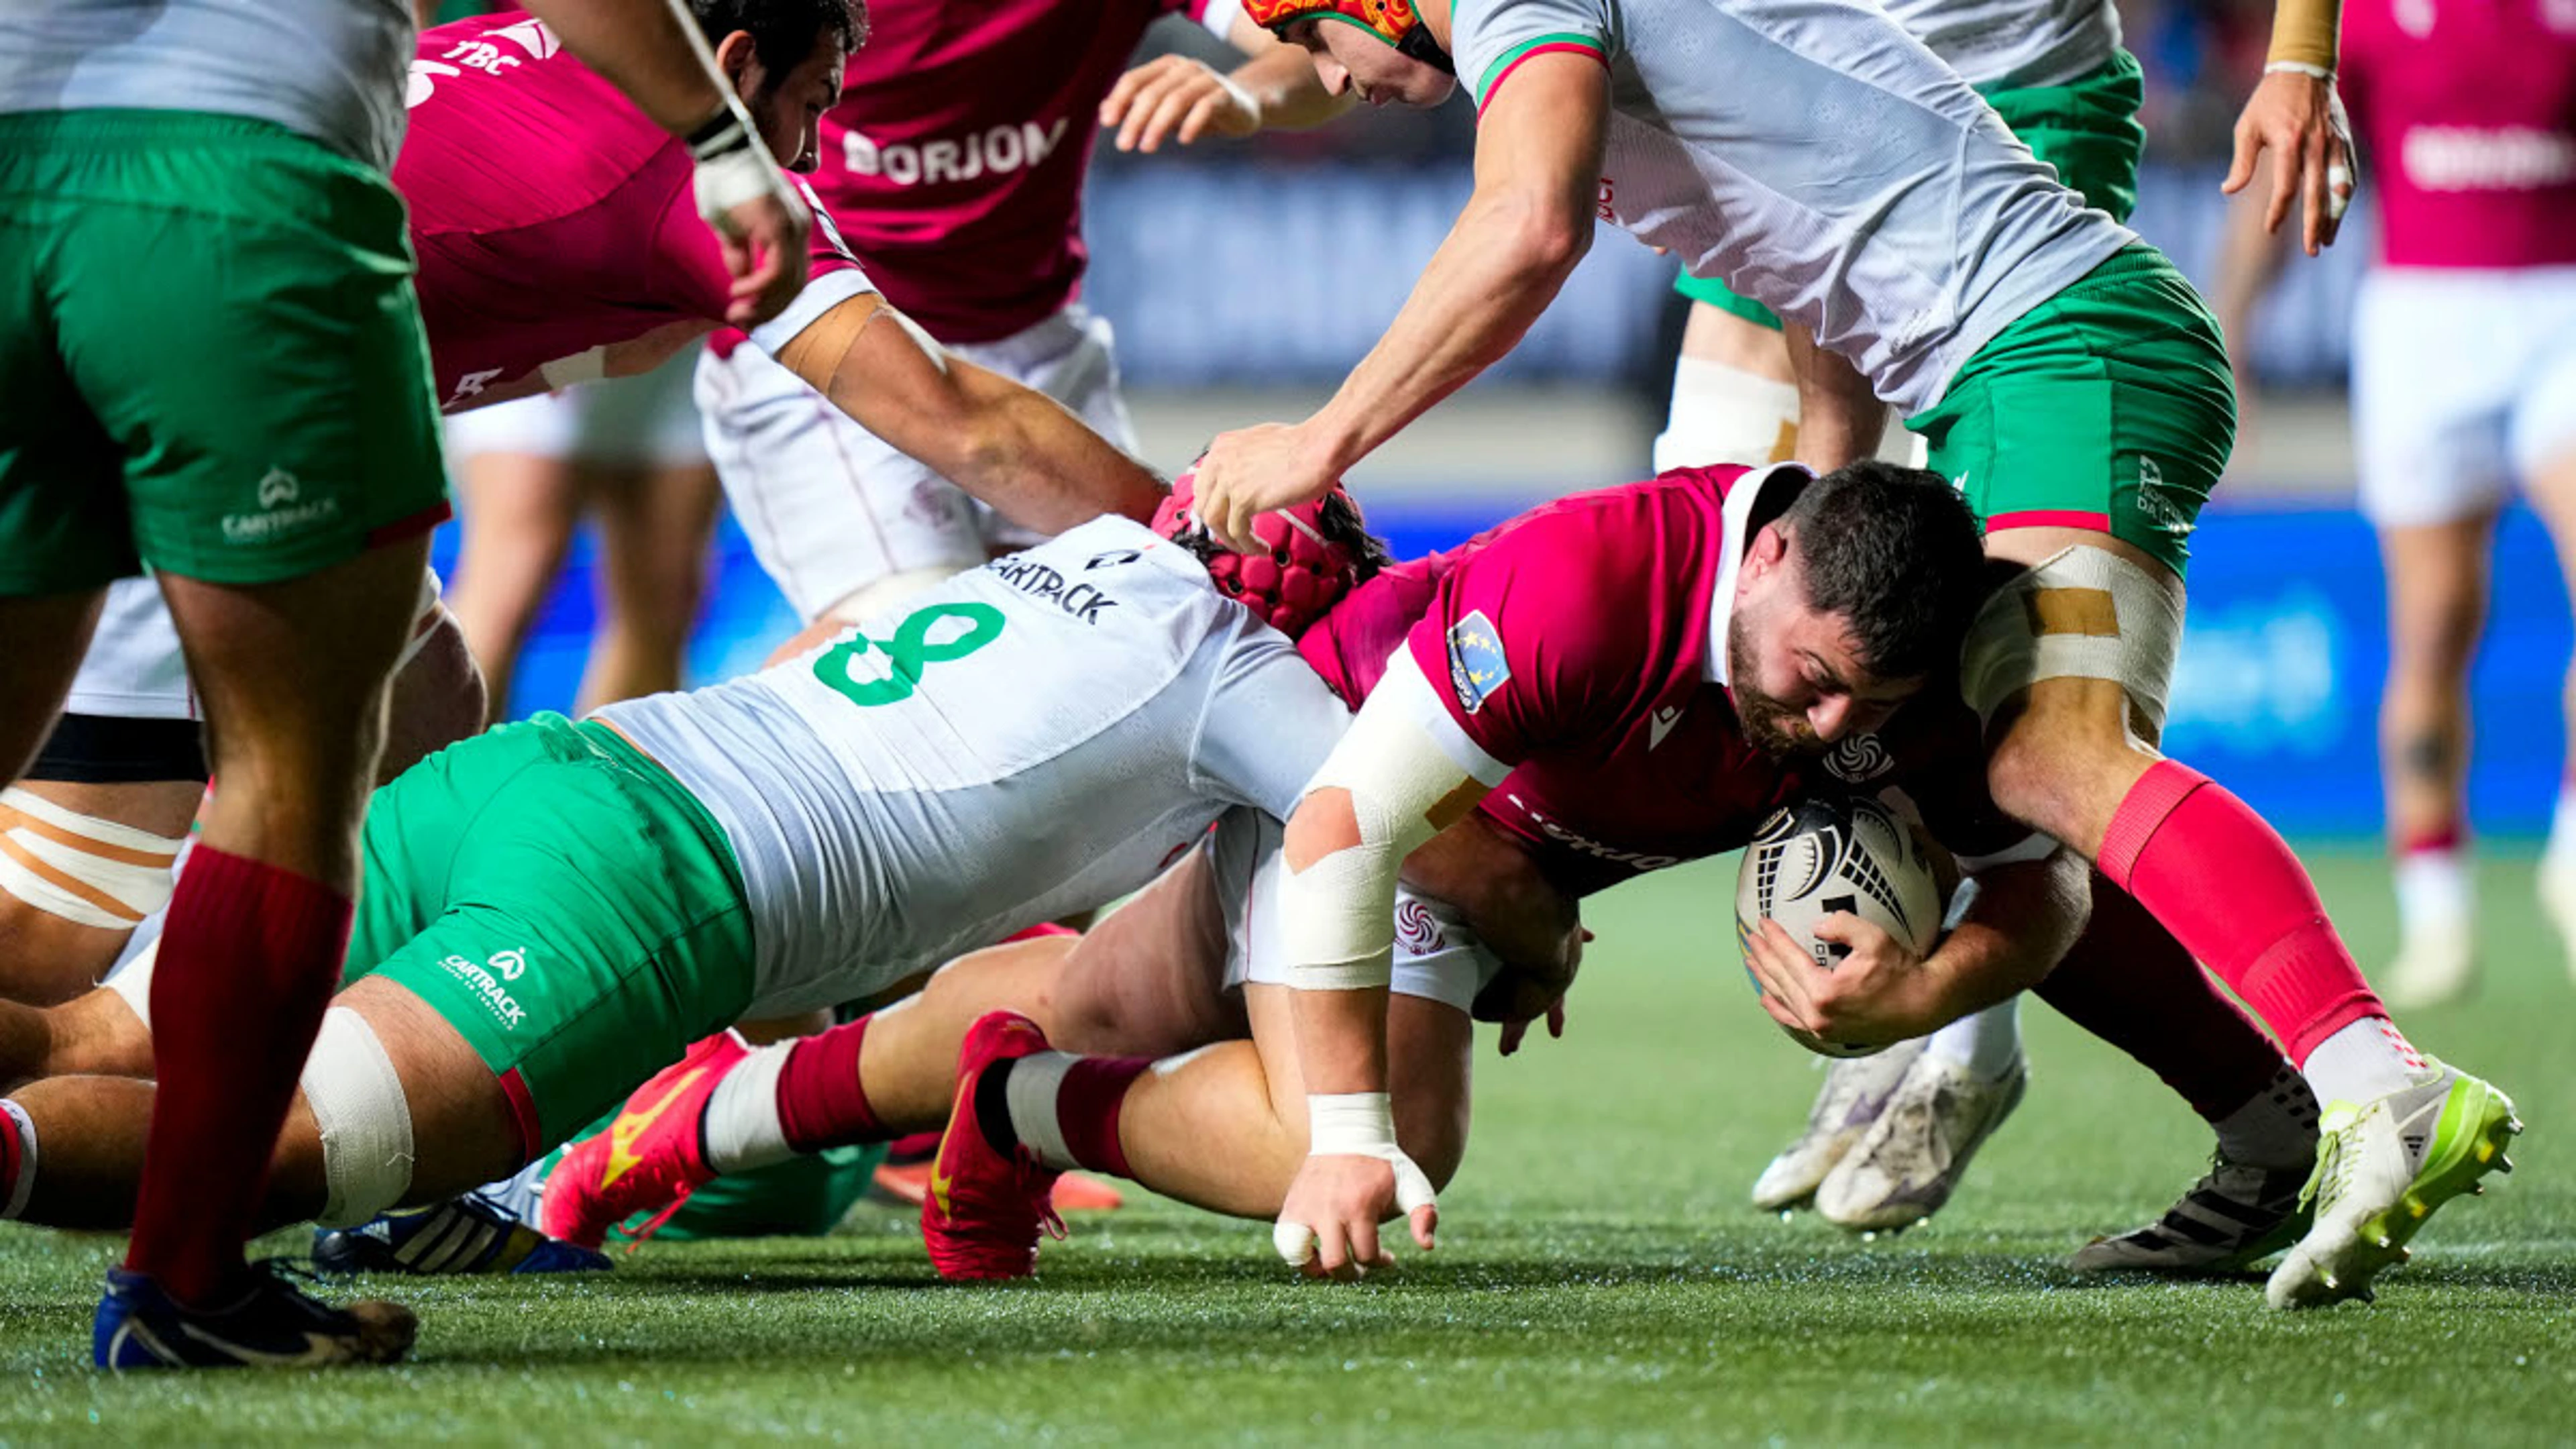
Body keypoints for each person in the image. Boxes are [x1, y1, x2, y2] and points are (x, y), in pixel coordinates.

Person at [1186, 0, 2519, 1310]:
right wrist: (1829, 486)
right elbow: (1810, 257)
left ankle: (2372, 1082)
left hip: (2059, 353)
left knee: (2057, 761)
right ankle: (2269, 1129)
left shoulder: (1518, 9)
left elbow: (1528, 227)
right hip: (2013, 363)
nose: (1319, 71)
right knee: (1988, 784)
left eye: (1310, 33)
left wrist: (1321, 442)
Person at [555, 462, 2325, 1282]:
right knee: (1365, 1152)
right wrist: (1505, 905)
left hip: (1476, 862)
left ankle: (703, 1124)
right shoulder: (1597, 587)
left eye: (1866, 700)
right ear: (1767, 552)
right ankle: (1011, 1123)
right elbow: (1348, 816)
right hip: (1332, 781)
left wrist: (1925, 990)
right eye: (1808, 676)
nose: (1826, 726)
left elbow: (2049, 892)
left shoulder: (1880, 688)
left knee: (1092, 996)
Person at [1, 0, 1170, 1013]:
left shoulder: (546, 45)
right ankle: (189, 1171)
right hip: (193, 407)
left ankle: (393, 1112)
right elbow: (966, 421)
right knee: (56, 946)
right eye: (812, 104)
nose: (812, 148)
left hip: (145, 306)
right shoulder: (698, 186)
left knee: (435, 742)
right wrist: (1193, 540)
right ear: (741, 59)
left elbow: (475, 282)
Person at [0, 0, 812, 1369]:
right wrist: (719, 145)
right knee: (297, 771)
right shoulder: (617, 162)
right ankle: (190, 1290)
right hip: (240, 177)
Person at [0, 498, 1400, 1287]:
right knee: (288, 1146)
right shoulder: (1241, 668)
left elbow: (827, 642)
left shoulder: (1058, 557)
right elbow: (1391, 823)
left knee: (96, 1038)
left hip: (560, 759)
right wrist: (1542, 905)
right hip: (654, 880)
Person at [697, 0, 1342, 628]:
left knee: (1140, 630)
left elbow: (1338, 49)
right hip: (834, 337)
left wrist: (1246, 95)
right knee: (917, 641)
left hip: (1038, 342)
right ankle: (654, 740)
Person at [2213, 0, 2576, 1007]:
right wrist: (2231, 325)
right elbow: (2290, 151)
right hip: (2425, 319)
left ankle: (2573, 856)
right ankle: (2437, 908)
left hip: (2562, 305)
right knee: (2436, 622)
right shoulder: (2364, 16)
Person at [444, 351, 726, 720]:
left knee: (665, 595)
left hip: (687, 335)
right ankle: (429, 774)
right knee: (511, 578)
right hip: (554, 318)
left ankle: (611, 774)